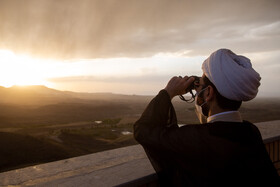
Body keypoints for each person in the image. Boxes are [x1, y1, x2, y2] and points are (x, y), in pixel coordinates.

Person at [134, 49, 280, 186]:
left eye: (200, 87)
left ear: (209, 93)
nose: (197, 92)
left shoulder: (197, 139)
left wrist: (167, 92)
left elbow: (143, 130)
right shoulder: (251, 132)